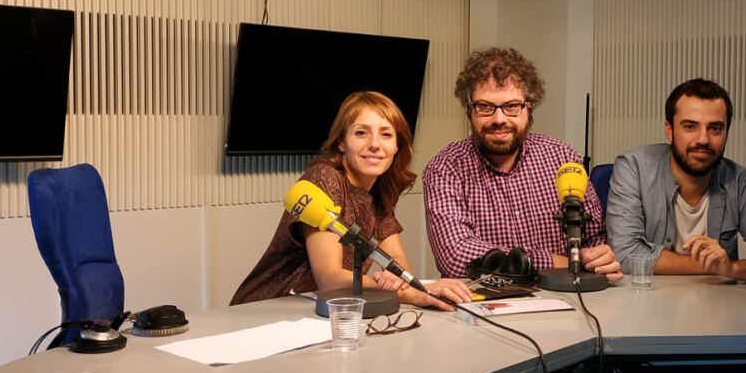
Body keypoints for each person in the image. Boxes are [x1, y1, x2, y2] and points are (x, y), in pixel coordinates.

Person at [231, 91, 471, 310]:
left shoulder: (380, 189)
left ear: (397, 145)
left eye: (386, 134)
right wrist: (410, 291)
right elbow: (330, 279)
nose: (375, 144)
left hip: (326, 311)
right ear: (341, 142)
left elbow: (398, 262)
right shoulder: (325, 178)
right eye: (361, 133)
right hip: (269, 309)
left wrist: (401, 281)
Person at [423, 47, 622, 281]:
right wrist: (553, 262)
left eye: (511, 107)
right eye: (485, 107)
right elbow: (456, 258)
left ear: (529, 108)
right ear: (470, 110)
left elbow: (594, 236)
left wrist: (598, 259)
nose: (499, 119)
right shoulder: (446, 168)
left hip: (566, 299)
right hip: (488, 306)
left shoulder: (562, 157)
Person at [606, 78, 746, 281]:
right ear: (669, 130)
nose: (703, 139)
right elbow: (625, 253)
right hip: (648, 303)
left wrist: (732, 269)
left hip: (716, 305)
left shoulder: (738, 180)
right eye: (690, 126)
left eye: (715, 128)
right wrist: (711, 267)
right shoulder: (635, 167)